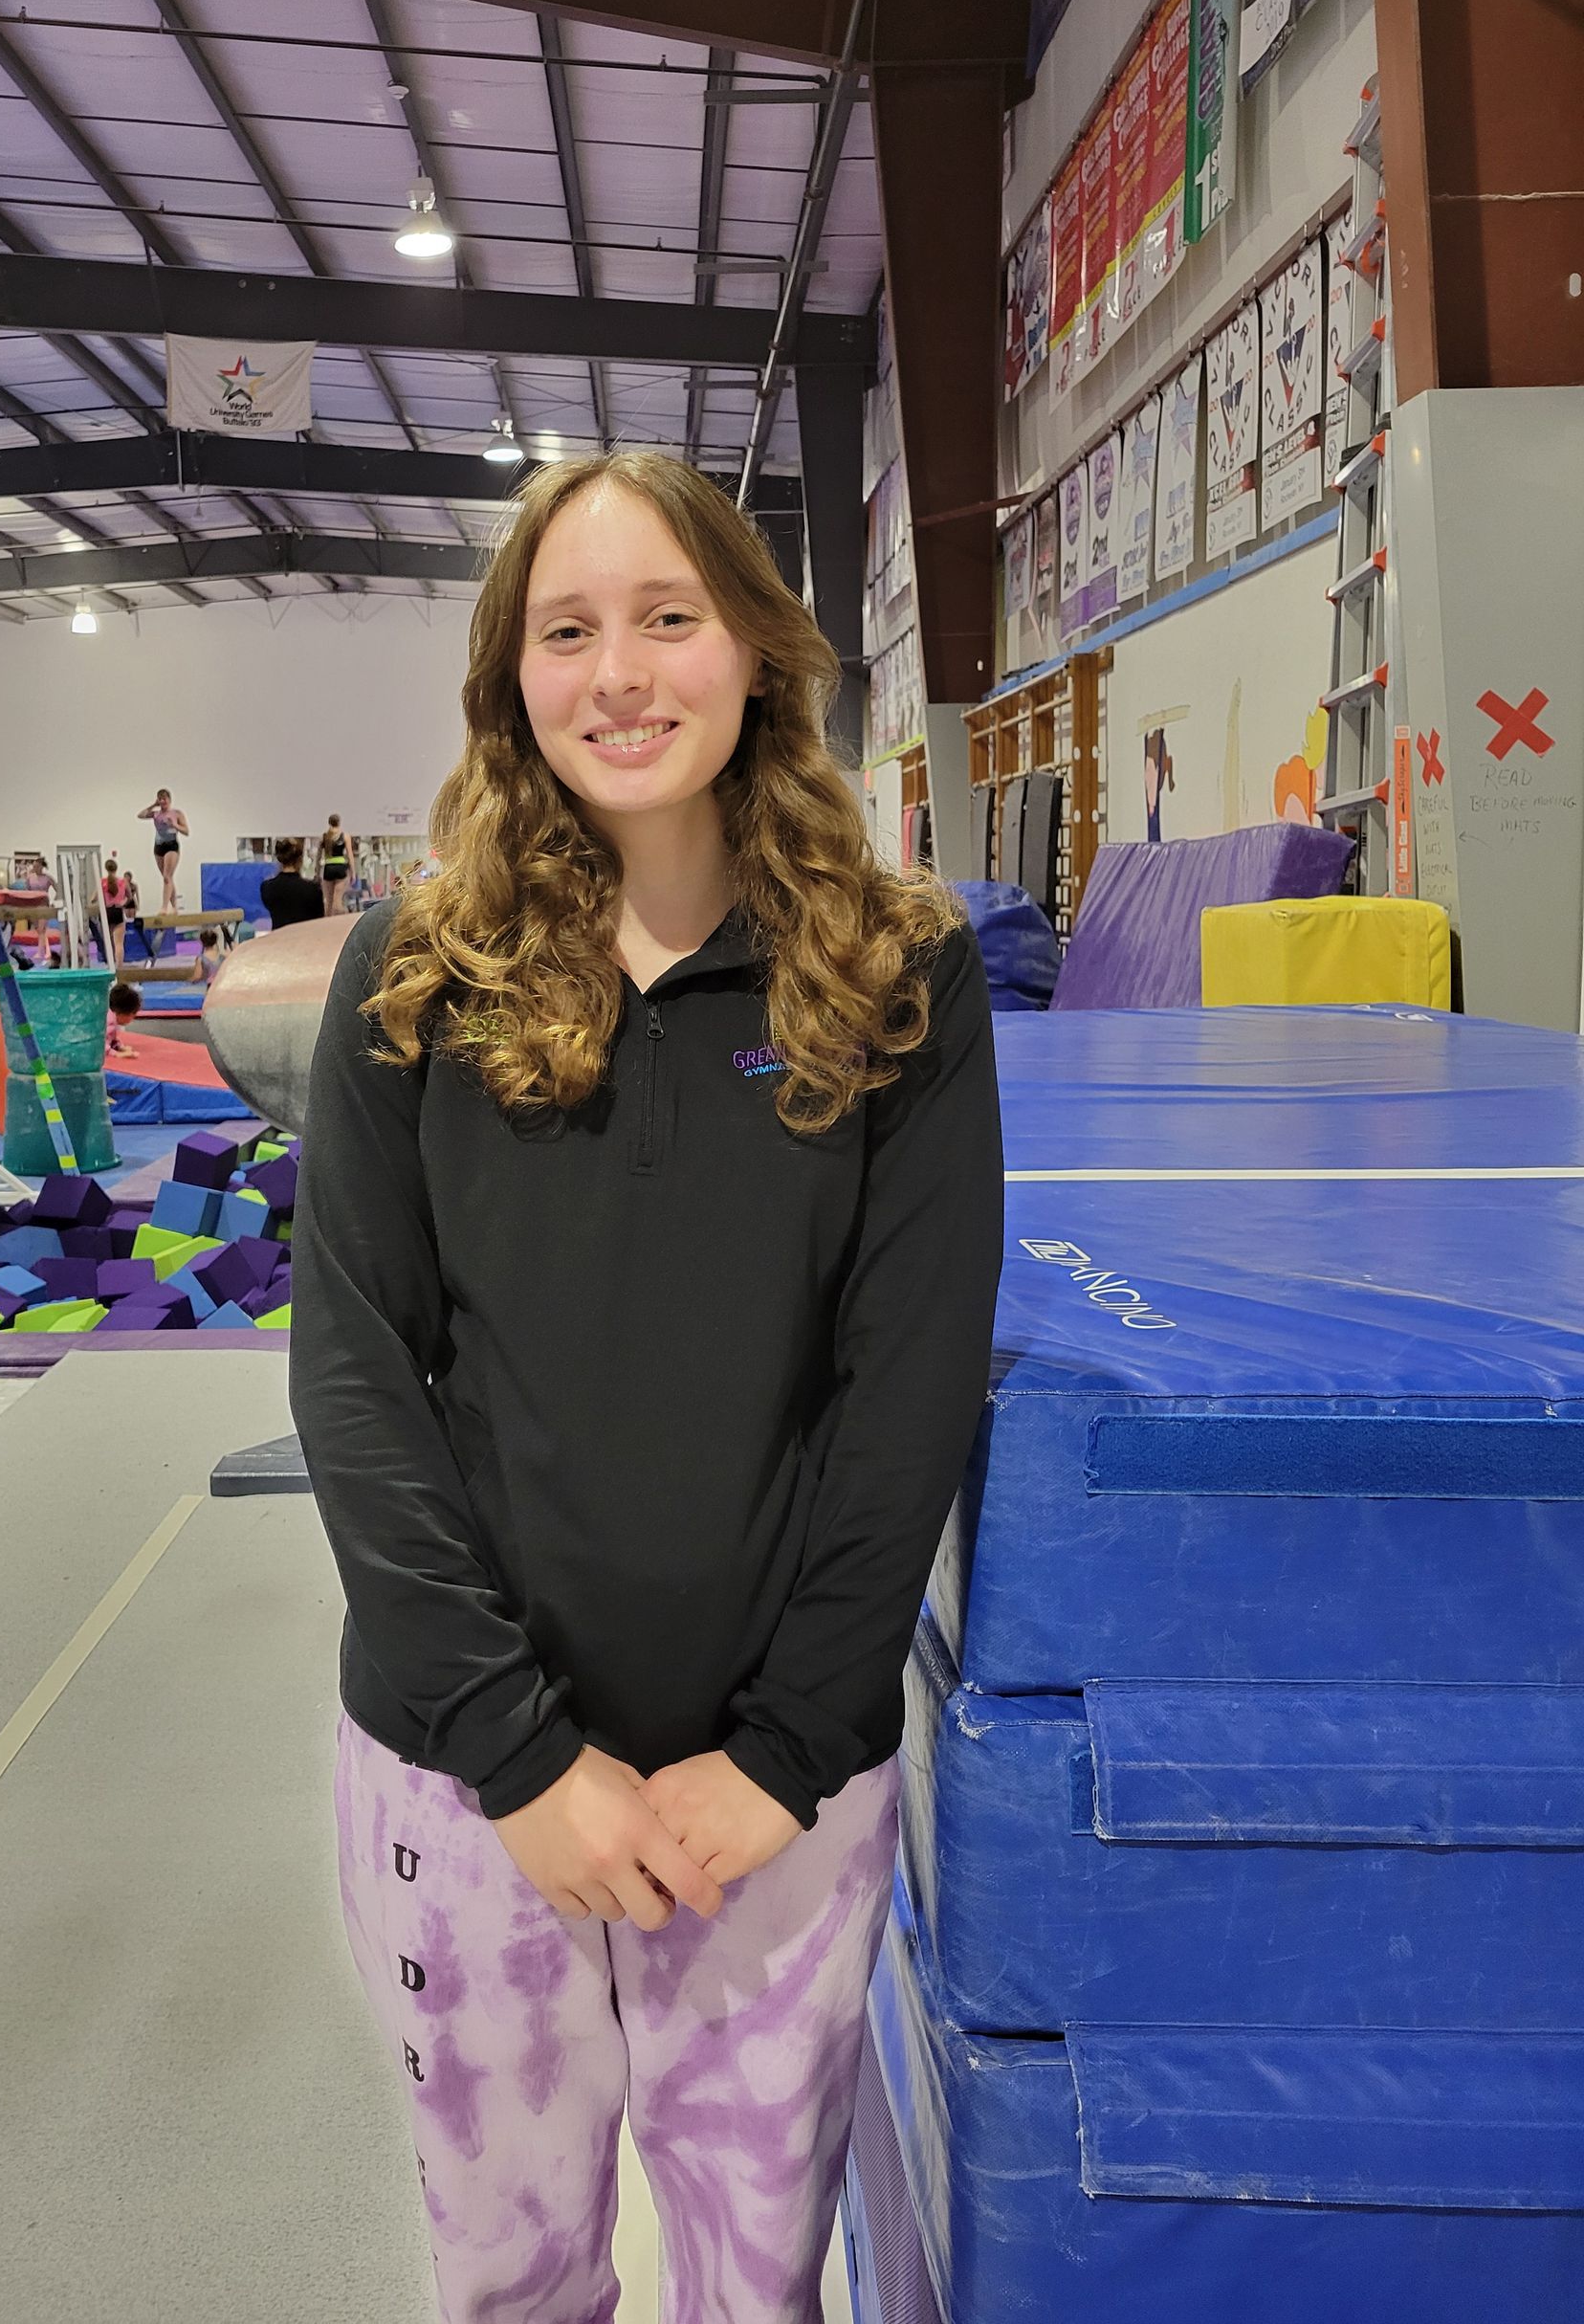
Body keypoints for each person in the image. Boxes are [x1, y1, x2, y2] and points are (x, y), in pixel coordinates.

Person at [291, 450, 1003, 2321]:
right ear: (510, 680)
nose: (620, 671)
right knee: (514, 2275)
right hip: (474, 1789)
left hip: (762, 1801)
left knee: (755, 2276)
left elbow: (906, 1378)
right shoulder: (413, 980)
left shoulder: (893, 971)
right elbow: (358, 1378)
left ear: (756, 649)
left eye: (668, 617)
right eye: (569, 628)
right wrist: (519, 1756)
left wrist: (782, 1749)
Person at [139, 790, 188, 912]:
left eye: (164, 799)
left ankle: (164, 907)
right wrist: (153, 805)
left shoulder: (177, 813)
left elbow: (186, 831)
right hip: (158, 847)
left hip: (171, 846)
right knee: (167, 878)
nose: (162, 801)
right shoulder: (155, 814)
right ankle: (175, 907)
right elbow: (140, 815)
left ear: (169, 800)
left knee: (167, 877)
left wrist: (175, 825)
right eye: (160, 799)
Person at [260, 836, 323, 931]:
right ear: (300, 860)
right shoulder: (313, 889)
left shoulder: (266, 888)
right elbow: (319, 918)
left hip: (278, 940)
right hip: (305, 940)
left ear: (280, 859)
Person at [318, 811, 352, 916]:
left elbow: (318, 856)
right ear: (339, 823)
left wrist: (317, 871)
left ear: (329, 823)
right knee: (337, 902)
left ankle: (327, 925)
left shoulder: (324, 837)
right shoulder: (344, 836)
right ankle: (341, 924)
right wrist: (353, 872)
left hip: (328, 868)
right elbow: (350, 855)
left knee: (328, 902)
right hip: (340, 867)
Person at [101, 852, 128, 964]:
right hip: (118, 910)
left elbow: (93, 898)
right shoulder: (122, 882)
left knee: (109, 942)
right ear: (116, 868)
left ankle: (110, 965)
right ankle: (120, 966)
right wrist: (123, 902)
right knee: (118, 943)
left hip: (107, 911)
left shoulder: (103, 882)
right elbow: (129, 897)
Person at [105, 979, 143, 1059]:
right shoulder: (110, 1023)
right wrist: (117, 1054)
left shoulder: (111, 1016)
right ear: (124, 1014)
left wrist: (120, 1046)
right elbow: (100, 1046)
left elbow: (111, 1038)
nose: (132, 1019)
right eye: (133, 1015)